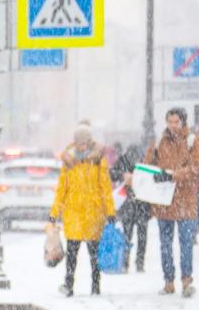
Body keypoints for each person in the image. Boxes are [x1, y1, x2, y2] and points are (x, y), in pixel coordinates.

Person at [49, 122, 115, 296]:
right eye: (78, 142)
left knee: (94, 256)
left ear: (90, 142)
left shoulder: (98, 161)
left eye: (84, 141)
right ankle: (68, 285)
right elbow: (62, 190)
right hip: (74, 215)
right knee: (72, 254)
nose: (81, 145)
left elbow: (105, 188)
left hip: (94, 214)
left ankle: (96, 286)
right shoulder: (69, 163)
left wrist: (110, 212)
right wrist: (54, 213)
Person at [144, 107, 199, 298]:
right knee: (165, 244)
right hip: (164, 201)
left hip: (186, 200)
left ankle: (186, 281)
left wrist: (172, 175)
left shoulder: (192, 140)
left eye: (176, 122)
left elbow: (195, 168)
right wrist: (153, 163)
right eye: (169, 122)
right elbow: (148, 166)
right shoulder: (159, 141)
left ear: (183, 122)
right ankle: (168, 281)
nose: (172, 125)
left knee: (186, 243)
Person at [111, 143, 148, 272]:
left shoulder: (123, 160)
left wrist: (121, 174)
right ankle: (138, 262)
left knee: (129, 234)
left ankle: (128, 263)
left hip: (133, 203)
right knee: (139, 235)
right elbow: (111, 174)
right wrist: (123, 175)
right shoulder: (143, 161)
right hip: (139, 203)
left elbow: (112, 173)